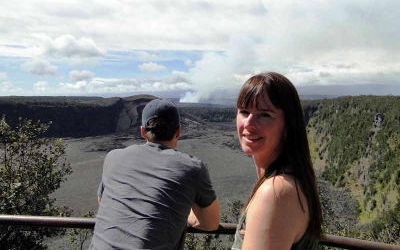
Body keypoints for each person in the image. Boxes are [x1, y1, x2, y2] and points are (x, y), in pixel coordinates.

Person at [89, 98, 220, 250]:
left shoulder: (113, 157)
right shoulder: (192, 168)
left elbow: (102, 200)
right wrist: (181, 213)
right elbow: (210, 223)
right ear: (178, 131)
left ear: (143, 132)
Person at [231, 72, 322, 250]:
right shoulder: (286, 181)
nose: (249, 123)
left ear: (288, 125)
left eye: (264, 115)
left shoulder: (276, 193)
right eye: (244, 112)